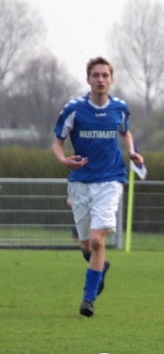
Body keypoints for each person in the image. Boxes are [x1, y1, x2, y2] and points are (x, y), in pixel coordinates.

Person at [52, 56, 144, 318]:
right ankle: (100, 266)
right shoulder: (73, 109)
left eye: (105, 75)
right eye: (96, 75)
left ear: (111, 79)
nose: (100, 79)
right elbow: (57, 142)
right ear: (88, 79)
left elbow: (124, 131)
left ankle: (88, 299)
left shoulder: (120, 108)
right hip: (80, 182)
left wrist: (132, 151)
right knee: (86, 246)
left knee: (96, 240)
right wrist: (64, 160)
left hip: (109, 180)